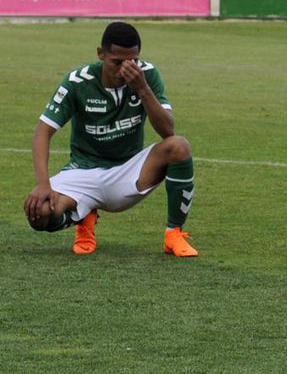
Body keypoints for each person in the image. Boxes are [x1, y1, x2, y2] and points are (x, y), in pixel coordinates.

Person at [23, 22, 199, 258]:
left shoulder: (146, 75)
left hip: (129, 170)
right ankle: (84, 216)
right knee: (40, 214)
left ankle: (173, 235)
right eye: (117, 62)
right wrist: (43, 184)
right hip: (82, 172)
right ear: (101, 54)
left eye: (132, 61)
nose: (125, 69)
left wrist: (143, 89)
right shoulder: (78, 81)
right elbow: (42, 132)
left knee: (179, 146)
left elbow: (168, 130)